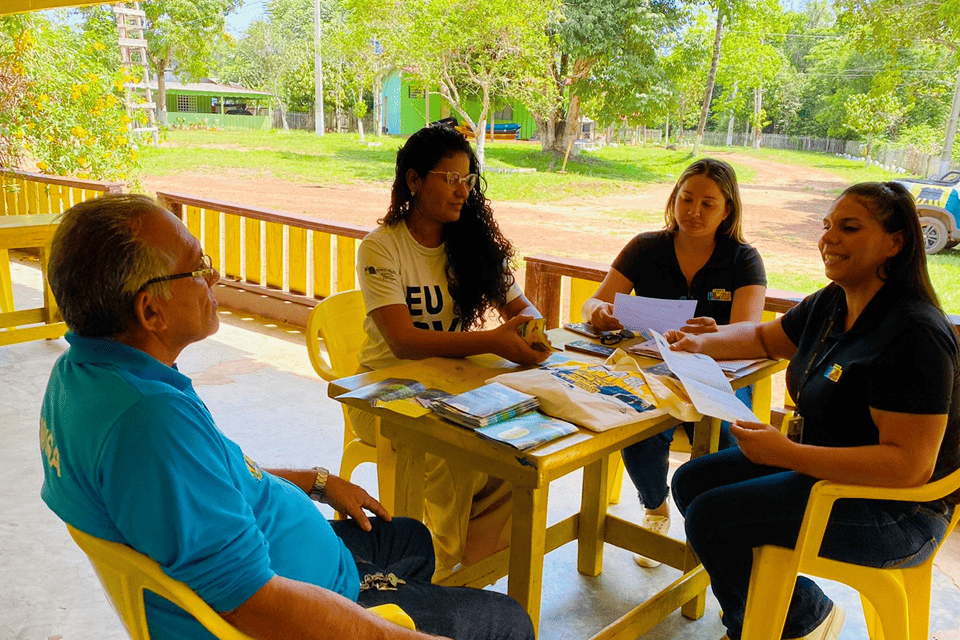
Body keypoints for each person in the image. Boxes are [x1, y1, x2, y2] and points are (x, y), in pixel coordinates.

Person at [38, 193, 535, 640]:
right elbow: (256, 605)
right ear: (152, 312)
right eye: (196, 269)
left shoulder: (83, 376)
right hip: (307, 603)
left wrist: (315, 482)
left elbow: (202, 482)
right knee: (509, 622)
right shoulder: (149, 424)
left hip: (295, 557)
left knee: (412, 538)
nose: (214, 277)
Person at [667, 182, 960, 640]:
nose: (828, 239)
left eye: (849, 227)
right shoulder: (835, 301)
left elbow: (909, 466)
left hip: (897, 509)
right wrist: (700, 344)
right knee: (691, 480)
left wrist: (785, 453)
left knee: (713, 517)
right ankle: (801, 613)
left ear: (895, 242)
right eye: (827, 226)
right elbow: (767, 338)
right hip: (828, 469)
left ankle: (776, 626)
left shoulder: (913, 332)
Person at [353, 124, 547, 574]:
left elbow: (522, 308)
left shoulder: (470, 244)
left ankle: (476, 564)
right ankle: (437, 574)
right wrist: (495, 341)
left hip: (450, 382)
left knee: (516, 446)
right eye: (450, 179)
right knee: (454, 449)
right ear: (414, 181)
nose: (462, 192)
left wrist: (532, 334)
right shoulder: (382, 247)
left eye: (468, 181)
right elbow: (403, 342)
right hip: (381, 393)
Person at [580, 157, 767, 567]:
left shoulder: (743, 260)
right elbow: (594, 300)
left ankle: (713, 528)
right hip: (651, 371)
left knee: (725, 438)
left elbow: (748, 332)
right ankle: (655, 507)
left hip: (718, 378)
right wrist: (597, 312)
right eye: (686, 199)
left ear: (728, 210)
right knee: (636, 424)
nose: (694, 212)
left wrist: (712, 335)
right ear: (674, 199)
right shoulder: (647, 247)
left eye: (708, 204)